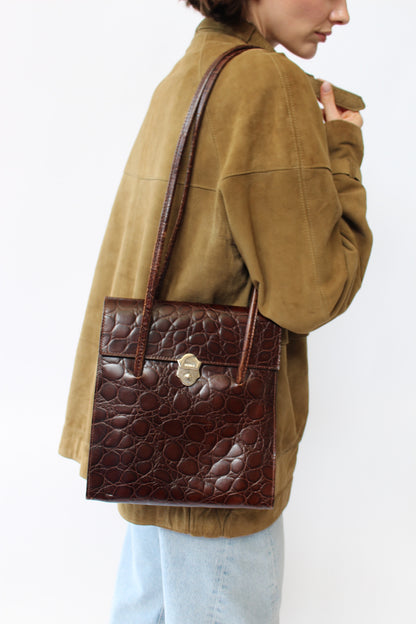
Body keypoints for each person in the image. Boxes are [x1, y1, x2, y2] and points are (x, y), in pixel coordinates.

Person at [59, 1, 373, 622]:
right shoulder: (265, 81)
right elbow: (314, 291)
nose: (342, 12)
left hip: (147, 433)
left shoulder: (190, 71)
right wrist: (343, 150)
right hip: (215, 457)